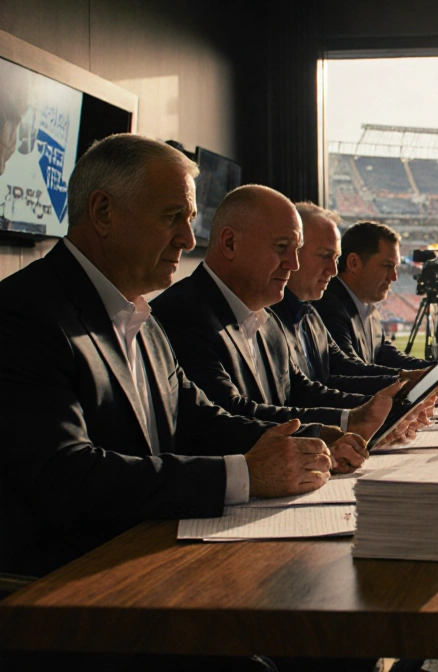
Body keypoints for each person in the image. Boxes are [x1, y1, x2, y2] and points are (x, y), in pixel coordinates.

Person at [0, 135, 336, 579]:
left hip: (146, 560)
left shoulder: (141, 315)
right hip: (66, 592)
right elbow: (64, 475)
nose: (188, 237)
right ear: (103, 212)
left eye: (191, 218)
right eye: (172, 217)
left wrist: (310, 440)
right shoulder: (23, 314)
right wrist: (242, 476)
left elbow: (197, 419)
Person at [152, 186, 414, 460]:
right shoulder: (181, 313)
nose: (293, 263)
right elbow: (226, 417)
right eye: (281, 248)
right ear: (230, 244)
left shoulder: (268, 319)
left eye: (297, 250)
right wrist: (341, 427)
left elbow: (299, 391)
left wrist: (359, 416)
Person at [270, 202, 414, 395]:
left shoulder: (309, 312)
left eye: (335, 258)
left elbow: (334, 374)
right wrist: (408, 384)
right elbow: (308, 391)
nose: (333, 270)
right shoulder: (323, 307)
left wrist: (430, 376)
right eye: (324, 256)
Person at [313, 221, 430, 370]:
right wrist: (407, 377)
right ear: (354, 263)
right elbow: (350, 371)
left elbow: (390, 358)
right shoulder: (328, 307)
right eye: (387, 266)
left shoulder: (367, 309)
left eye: (395, 268)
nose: (394, 277)